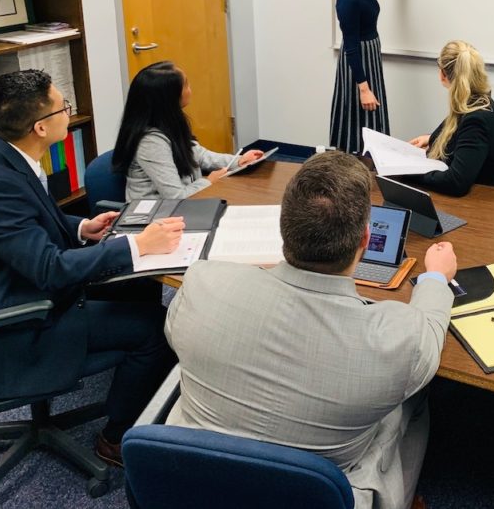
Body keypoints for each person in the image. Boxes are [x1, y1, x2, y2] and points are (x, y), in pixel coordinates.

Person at [164, 151, 457, 509]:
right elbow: (429, 331)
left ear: (283, 227)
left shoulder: (201, 282)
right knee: (414, 397)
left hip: (194, 484)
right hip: (321, 490)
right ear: (365, 239)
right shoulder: (398, 339)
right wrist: (435, 278)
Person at [0, 69, 182, 466]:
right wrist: (136, 244)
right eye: (63, 108)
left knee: (139, 286)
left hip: (28, 287)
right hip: (18, 319)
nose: (68, 114)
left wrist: (81, 227)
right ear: (41, 126)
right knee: (157, 328)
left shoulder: (7, 158)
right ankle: (115, 437)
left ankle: (138, 398)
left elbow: (32, 229)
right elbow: (50, 270)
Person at [330, 0, 443, 154]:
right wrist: (363, 88)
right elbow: (351, 46)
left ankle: (371, 160)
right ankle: (356, 165)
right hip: (357, 62)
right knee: (359, 117)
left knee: (371, 116)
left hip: (368, 55)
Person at [113, 61, 264, 200]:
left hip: (184, 206)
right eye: (185, 85)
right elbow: (176, 196)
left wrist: (239, 161)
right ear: (169, 98)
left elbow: (201, 156)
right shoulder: (150, 142)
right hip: (154, 218)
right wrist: (209, 181)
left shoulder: (170, 124)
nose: (190, 90)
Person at [406, 40, 494, 196]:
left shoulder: (476, 118)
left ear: (443, 74)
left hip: (476, 204)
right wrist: (432, 138)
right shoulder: (476, 102)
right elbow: (460, 134)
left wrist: (409, 172)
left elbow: (455, 182)